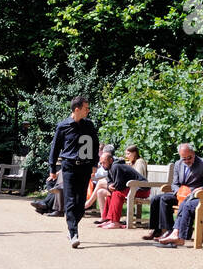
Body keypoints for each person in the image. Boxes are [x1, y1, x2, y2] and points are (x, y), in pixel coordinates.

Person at [46, 97, 99, 248]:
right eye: (86, 108)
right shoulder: (63, 126)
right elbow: (55, 149)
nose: (88, 110)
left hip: (85, 167)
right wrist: (52, 170)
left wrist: (94, 164)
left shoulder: (89, 125)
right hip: (69, 166)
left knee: (81, 203)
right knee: (70, 200)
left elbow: (95, 145)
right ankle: (73, 232)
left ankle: (72, 226)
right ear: (77, 109)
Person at [143, 143, 203, 242]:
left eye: (189, 157)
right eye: (184, 158)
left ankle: (169, 231)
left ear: (193, 153)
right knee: (155, 198)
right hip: (179, 193)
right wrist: (178, 192)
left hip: (193, 195)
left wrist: (196, 190)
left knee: (164, 199)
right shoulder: (178, 163)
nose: (187, 161)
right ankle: (157, 230)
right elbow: (174, 184)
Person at [98, 147, 147, 228]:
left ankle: (115, 222)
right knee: (112, 193)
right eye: (101, 163)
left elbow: (119, 185)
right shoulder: (110, 167)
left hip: (142, 188)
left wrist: (111, 187)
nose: (103, 165)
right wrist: (109, 186)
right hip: (132, 188)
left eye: (104, 163)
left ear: (110, 160)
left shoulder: (116, 166)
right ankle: (109, 219)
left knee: (117, 193)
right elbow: (109, 180)